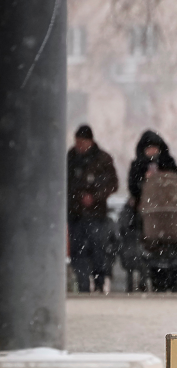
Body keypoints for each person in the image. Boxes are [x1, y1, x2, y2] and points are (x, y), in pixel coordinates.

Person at [127, 130, 177, 292]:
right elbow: (133, 187)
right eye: (149, 149)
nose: (152, 152)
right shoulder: (137, 165)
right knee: (128, 222)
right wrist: (144, 181)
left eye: (155, 148)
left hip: (169, 212)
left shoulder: (169, 163)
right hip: (146, 211)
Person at [66, 124, 119, 293]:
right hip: (76, 214)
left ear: (89, 141)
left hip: (96, 214)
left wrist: (95, 196)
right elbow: (66, 183)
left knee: (98, 251)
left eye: (81, 142)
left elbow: (112, 184)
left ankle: (98, 284)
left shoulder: (102, 159)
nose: (79, 146)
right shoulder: (71, 158)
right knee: (78, 252)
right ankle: (83, 285)